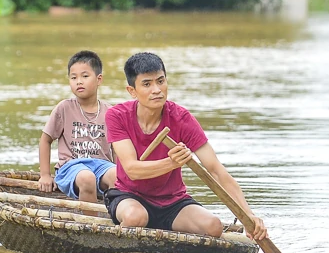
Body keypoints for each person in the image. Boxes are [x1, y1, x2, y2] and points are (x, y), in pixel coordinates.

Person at [103, 52, 269, 242]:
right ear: (132, 91)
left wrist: (248, 216)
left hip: (172, 201)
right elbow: (132, 170)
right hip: (129, 196)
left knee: (213, 227)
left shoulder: (181, 118)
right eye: (147, 84)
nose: (157, 90)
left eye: (160, 81)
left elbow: (216, 170)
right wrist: (171, 163)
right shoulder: (117, 115)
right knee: (136, 217)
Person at [37, 50, 116, 203]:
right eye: (74, 78)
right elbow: (45, 140)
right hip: (71, 166)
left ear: (99, 79)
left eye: (85, 76)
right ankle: (89, 224)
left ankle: (115, 217)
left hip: (102, 165)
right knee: (87, 178)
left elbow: (117, 148)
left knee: (118, 176)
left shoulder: (110, 112)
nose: (79, 81)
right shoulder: (64, 108)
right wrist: (45, 175)